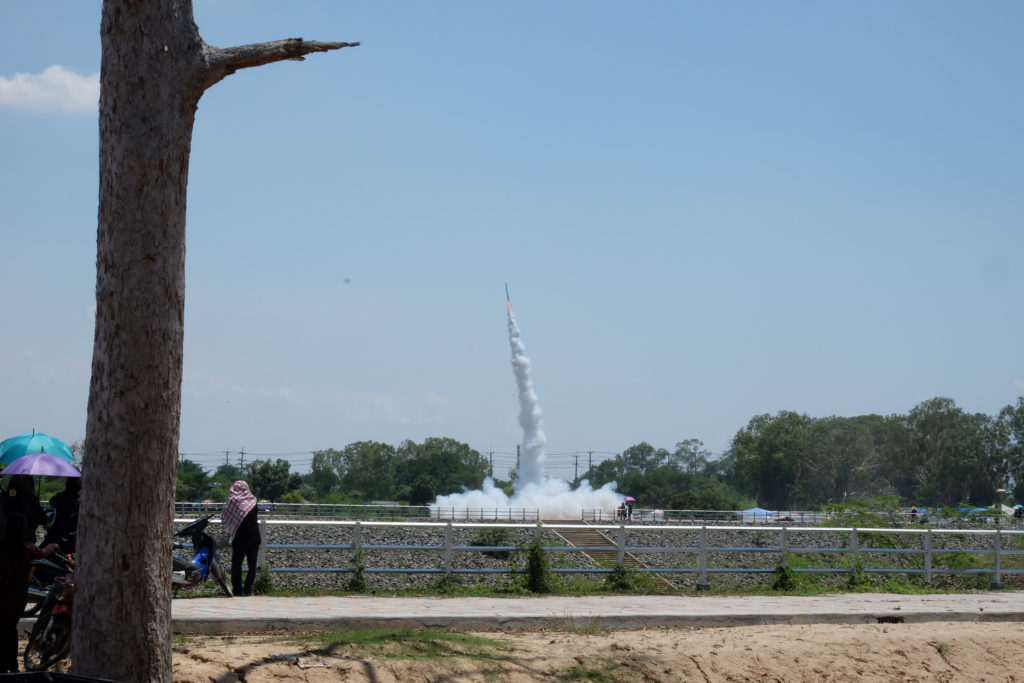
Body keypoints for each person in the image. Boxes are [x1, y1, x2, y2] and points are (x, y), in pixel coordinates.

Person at [0, 513, 43, 673]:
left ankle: (4, 665)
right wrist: (54, 545)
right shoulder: (27, 549)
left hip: (2, 595)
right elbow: (43, 553)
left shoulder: (2, 547)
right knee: (11, 629)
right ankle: (13, 665)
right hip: (18, 597)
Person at [222, 480, 261, 596]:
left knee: (236, 565)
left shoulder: (232, 501)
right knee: (252, 565)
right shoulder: (253, 500)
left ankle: (237, 590)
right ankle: (248, 590)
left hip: (239, 538)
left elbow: (225, 516)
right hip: (254, 537)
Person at [43, 477, 80, 554]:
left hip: (55, 531)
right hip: (69, 534)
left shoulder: (61, 496)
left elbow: (52, 502)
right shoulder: (78, 500)